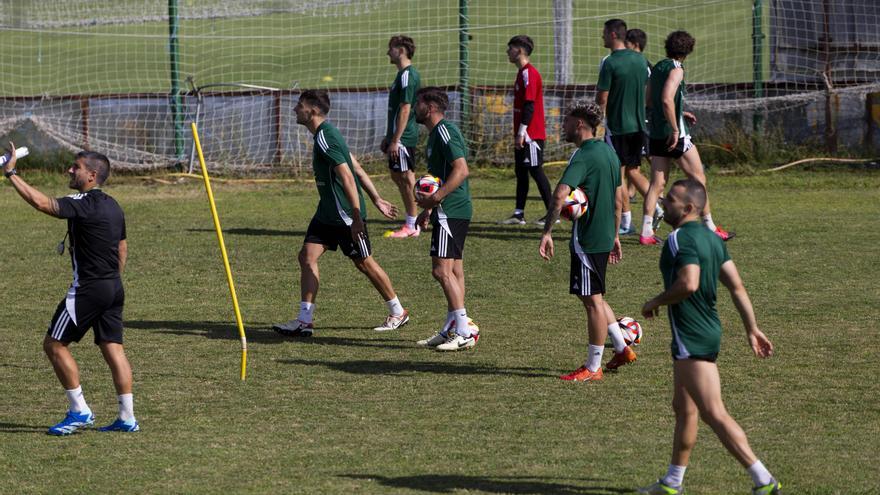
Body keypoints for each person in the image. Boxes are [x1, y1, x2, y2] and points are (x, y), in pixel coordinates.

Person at [638, 179, 780, 495]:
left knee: (713, 413)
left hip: (692, 334)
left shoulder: (679, 239)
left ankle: (764, 480)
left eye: (671, 199)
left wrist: (656, 301)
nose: (664, 202)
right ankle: (672, 483)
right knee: (684, 408)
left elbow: (688, 283)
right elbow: (737, 286)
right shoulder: (713, 240)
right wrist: (751, 328)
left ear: (689, 208)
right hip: (706, 331)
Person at [3, 145, 139, 434]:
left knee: (53, 344)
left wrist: (11, 173)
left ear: (91, 175)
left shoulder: (83, 202)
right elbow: (122, 246)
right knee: (113, 348)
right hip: (114, 287)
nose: (69, 170)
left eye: (75, 167)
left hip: (89, 289)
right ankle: (127, 418)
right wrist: (111, 279)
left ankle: (80, 411)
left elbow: (43, 204)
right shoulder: (114, 205)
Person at [274, 90, 410, 336]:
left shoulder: (326, 137)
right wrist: (377, 198)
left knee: (364, 263)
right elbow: (356, 166)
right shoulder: (325, 135)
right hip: (326, 214)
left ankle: (398, 312)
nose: (295, 109)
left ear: (312, 110)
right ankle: (304, 321)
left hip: (345, 215)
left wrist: (357, 217)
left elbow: (347, 176)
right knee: (307, 256)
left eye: (299, 105)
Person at [538, 102, 638, 381]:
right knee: (593, 296)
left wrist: (547, 232)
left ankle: (593, 367)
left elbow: (560, 195)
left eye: (567, 121)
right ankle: (621, 348)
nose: (563, 126)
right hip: (604, 235)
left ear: (580, 124)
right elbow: (619, 199)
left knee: (592, 302)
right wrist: (616, 234)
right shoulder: (609, 152)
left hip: (587, 239)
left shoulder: (581, 156)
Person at [640, 31, 733, 245]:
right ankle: (710, 227)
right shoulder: (676, 69)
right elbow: (665, 99)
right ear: (688, 50)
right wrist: (674, 127)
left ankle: (646, 233)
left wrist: (678, 112)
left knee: (657, 183)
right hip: (676, 135)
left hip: (655, 132)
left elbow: (650, 100)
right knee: (699, 180)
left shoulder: (657, 68)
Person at [411, 87, 479, 351]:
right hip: (448, 209)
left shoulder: (445, 131)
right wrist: (428, 208)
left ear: (429, 106)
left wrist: (436, 198)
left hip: (452, 209)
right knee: (454, 271)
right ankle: (453, 326)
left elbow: (462, 170)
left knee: (440, 270)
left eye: (418, 103)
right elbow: (442, 175)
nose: (415, 107)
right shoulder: (434, 136)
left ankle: (464, 330)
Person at [595, 19, 654, 236]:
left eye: (603, 32)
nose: (601, 36)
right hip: (638, 126)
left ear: (612, 35)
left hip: (617, 127)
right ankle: (656, 206)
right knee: (633, 171)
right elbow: (650, 94)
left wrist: (596, 119)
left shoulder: (610, 62)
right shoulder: (641, 60)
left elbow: (602, 97)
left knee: (615, 177)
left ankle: (626, 223)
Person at [498, 35, 553, 226]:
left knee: (536, 171)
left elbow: (529, 105)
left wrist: (522, 132)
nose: (508, 52)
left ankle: (552, 213)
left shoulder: (529, 73)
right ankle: (518, 214)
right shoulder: (521, 73)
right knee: (521, 172)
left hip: (531, 135)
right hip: (523, 134)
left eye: (510, 48)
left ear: (520, 50)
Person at [381, 35, 422, 238]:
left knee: (406, 178)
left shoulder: (408, 75)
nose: (388, 52)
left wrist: (397, 140)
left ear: (402, 50)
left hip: (404, 138)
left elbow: (406, 108)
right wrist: (389, 137)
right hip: (397, 137)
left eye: (391, 48)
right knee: (397, 175)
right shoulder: (401, 75)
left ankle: (412, 224)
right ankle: (416, 218)